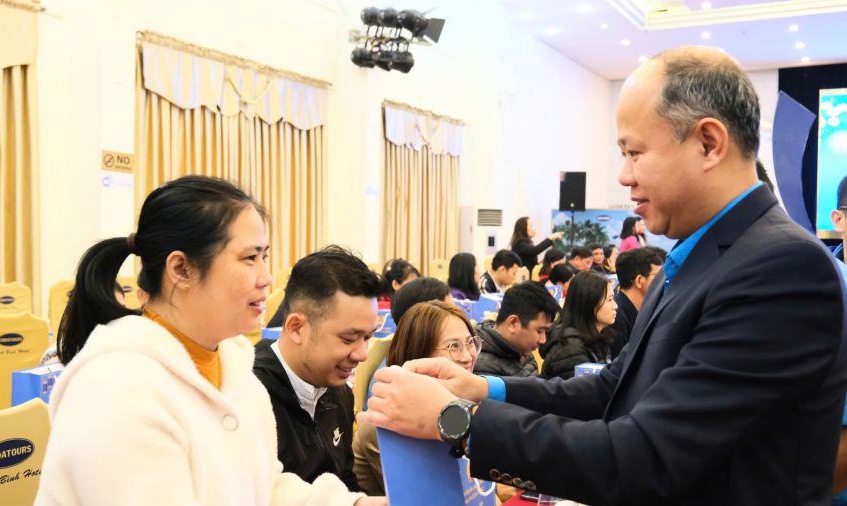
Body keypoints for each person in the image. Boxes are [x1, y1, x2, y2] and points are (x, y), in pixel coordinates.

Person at [359, 46, 847, 505]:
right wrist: (483, 390)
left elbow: (648, 455)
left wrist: (456, 421)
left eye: (635, 153)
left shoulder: (780, 267)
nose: (623, 175)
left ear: (708, 142)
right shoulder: (702, 256)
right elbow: (612, 389)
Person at [37, 176, 381, 506]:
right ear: (182, 269)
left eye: (265, 257)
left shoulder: (234, 372)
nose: (265, 278)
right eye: (249, 258)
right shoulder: (119, 388)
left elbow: (263, 486)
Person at [253, 246, 386, 493]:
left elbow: (345, 481)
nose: (362, 354)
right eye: (348, 339)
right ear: (296, 328)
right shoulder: (248, 396)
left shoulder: (338, 392)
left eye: (367, 337)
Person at [353, 300, 479, 496]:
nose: (468, 356)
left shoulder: (464, 399)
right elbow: (431, 495)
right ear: (419, 355)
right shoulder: (387, 421)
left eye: (470, 342)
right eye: (454, 346)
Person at [539, 272, 616, 380]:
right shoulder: (570, 349)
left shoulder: (598, 335)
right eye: (610, 300)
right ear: (590, 303)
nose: (615, 306)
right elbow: (580, 393)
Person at [474, 281, 560, 378]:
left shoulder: (521, 348)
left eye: (545, 331)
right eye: (539, 331)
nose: (543, 340)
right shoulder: (484, 368)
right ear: (513, 323)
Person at [604, 248, 662, 359]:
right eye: (658, 276)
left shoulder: (647, 309)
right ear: (639, 280)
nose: (664, 281)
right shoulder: (615, 316)